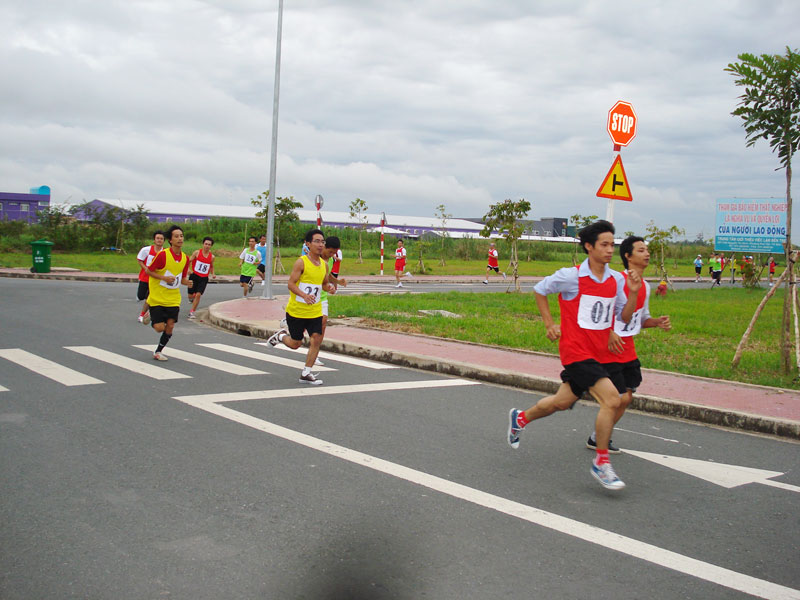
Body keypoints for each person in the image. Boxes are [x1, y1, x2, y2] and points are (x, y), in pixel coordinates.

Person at [506, 220, 640, 491]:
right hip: (576, 352)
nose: (609, 249)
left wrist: (634, 293)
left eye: (612, 244)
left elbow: (623, 317)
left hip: (602, 354)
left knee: (560, 402)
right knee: (613, 399)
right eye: (603, 244)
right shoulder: (571, 276)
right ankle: (601, 462)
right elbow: (540, 290)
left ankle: (520, 418)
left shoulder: (615, 280)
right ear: (588, 247)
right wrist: (549, 324)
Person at [586, 235, 672, 453]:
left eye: (647, 250)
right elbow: (602, 312)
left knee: (627, 398)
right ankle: (600, 442)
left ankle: (598, 437)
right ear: (628, 256)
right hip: (609, 348)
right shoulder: (616, 281)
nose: (647, 254)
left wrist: (657, 322)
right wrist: (608, 333)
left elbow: (641, 319)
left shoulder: (645, 286)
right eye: (641, 250)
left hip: (628, 349)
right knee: (619, 397)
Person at [266, 229, 337, 385]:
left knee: (316, 339)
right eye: (317, 241)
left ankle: (306, 372)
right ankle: (280, 336)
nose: (320, 245)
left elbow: (324, 284)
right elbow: (291, 284)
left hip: (315, 310)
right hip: (297, 311)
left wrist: (329, 287)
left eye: (322, 242)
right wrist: (304, 295)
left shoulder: (324, 265)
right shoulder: (301, 262)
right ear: (308, 244)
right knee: (296, 344)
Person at [145, 224, 193, 361]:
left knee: (170, 326)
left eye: (181, 236)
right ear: (170, 240)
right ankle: (151, 316)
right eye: (176, 236)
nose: (180, 239)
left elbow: (182, 278)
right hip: (157, 297)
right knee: (160, 328)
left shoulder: (185, 258)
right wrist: (164, 278)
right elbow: (149, 271)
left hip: (173, 298)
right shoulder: (162, 255)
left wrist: (187, 282)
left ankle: (158, 351)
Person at [136, 230, 165, 323]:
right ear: (154, 240)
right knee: (141, 296)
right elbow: (140, 260)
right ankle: (143, 299)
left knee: (150, 298)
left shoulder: (164, 253)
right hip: (145, 277)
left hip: (156, 280)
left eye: (161, 239)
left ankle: (142, 315)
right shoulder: (146, 250)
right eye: (158, 238)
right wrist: (145, 269)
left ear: (164, 241)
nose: (159, 240)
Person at [186, 236, 216, 319]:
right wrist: (188, 269)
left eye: (209, 245)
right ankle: (191, 298)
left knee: (198, 294)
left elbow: (211, 266)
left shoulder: (212, 257)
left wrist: (213, 274)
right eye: (206, 244)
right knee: (190, 295)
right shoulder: (197, 253)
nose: (207, 246)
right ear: (203, 244)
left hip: (203, 278)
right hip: (194, 276)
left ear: (211, 246)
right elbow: (189, 261)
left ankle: (192, 312)